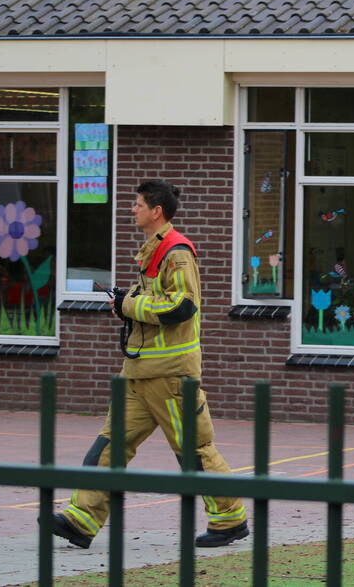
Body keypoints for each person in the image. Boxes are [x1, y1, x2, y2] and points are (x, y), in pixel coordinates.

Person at [48, 180, 248, 549]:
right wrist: (128, 298)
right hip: (140, 373)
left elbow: (181, 306)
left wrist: (128, 305)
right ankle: (81, 519)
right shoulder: (154, 250)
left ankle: (229, 519)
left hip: (170, 374)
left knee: (194, 449)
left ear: (156, 211)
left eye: (137, 204)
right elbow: (157, 300)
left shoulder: (177, 251)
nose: (132, 209)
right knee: (109, 446)